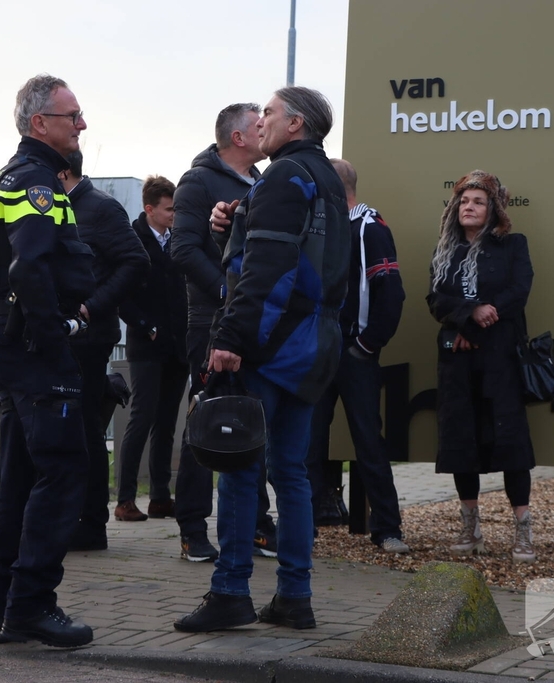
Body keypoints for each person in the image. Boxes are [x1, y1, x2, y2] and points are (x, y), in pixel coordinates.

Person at [174, 86, 350, 633]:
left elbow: (266, 268)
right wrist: (238, 218)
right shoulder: (327, 179)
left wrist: (229, 337)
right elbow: (303, 255)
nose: (261, 124)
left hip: (270, 345)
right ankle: (295, 598)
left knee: (239, 470)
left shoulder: (282, 176)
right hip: (314, 347)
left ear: (295, 124)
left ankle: (230, 592)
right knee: (293, 474)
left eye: (269, 114)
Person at [0, 74, 94, 648]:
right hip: (30, 348)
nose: (82, 124)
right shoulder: (36, 179)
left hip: (9, 342)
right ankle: (31, 605)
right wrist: (55, 334)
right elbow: (28, 267)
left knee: (21, 476)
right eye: (73, 115)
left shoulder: (12, 176)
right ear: (39, 123)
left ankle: (8, 610)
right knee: (65, 469)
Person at [170, 102, 278, 562]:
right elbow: (183, 249)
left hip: (249, 323)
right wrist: (227, 292)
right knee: (207, 421)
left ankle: (257, 524)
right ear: (238, 137)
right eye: (259, 125)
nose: (265, 130)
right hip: (209, 323)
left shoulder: (262, 182)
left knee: (251, 422)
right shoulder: (197, 182)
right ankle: (193, 528)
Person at [427, 169, 537, 564]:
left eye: (478, 202)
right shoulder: (446, 250)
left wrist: (485, 314)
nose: (468, 207)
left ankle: (523, 530)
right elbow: (435, 299)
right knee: (461, 440)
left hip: (501, 359)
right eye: (464, 201)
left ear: (493, 210)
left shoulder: (512, 245)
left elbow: (519, 290)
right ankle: (470, 526)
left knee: (510, 443)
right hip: (458, 360)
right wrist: (468, 314)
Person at [306, 158, 408, 553]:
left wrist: (366, 345)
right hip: (317, 350)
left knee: (368, 440)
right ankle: (306, 527)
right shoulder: (320, 226)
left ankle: (387, 530)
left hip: (353, 352)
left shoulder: (369, 226)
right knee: (308, 442)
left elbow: (390, 293)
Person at [59, 151, 149, 550]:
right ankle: (72, 516)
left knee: (86, 431)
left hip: (89, 339)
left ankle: (92, 522)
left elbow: (135, 261)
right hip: (60, 336)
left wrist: (91, 306)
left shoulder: (100, 208)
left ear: (62, 171)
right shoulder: (57, 207)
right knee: (70, 430)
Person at [115, 176, 188, 522]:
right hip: (146, 345)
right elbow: (121, 295)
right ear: (150, 209)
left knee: (167, 422)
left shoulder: (178, 241)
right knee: (141, 418)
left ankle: (160, 496)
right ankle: (125, 499)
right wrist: (147, 326)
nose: (175, 214)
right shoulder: (131, 242)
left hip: (176, 346)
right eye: (169, 209)